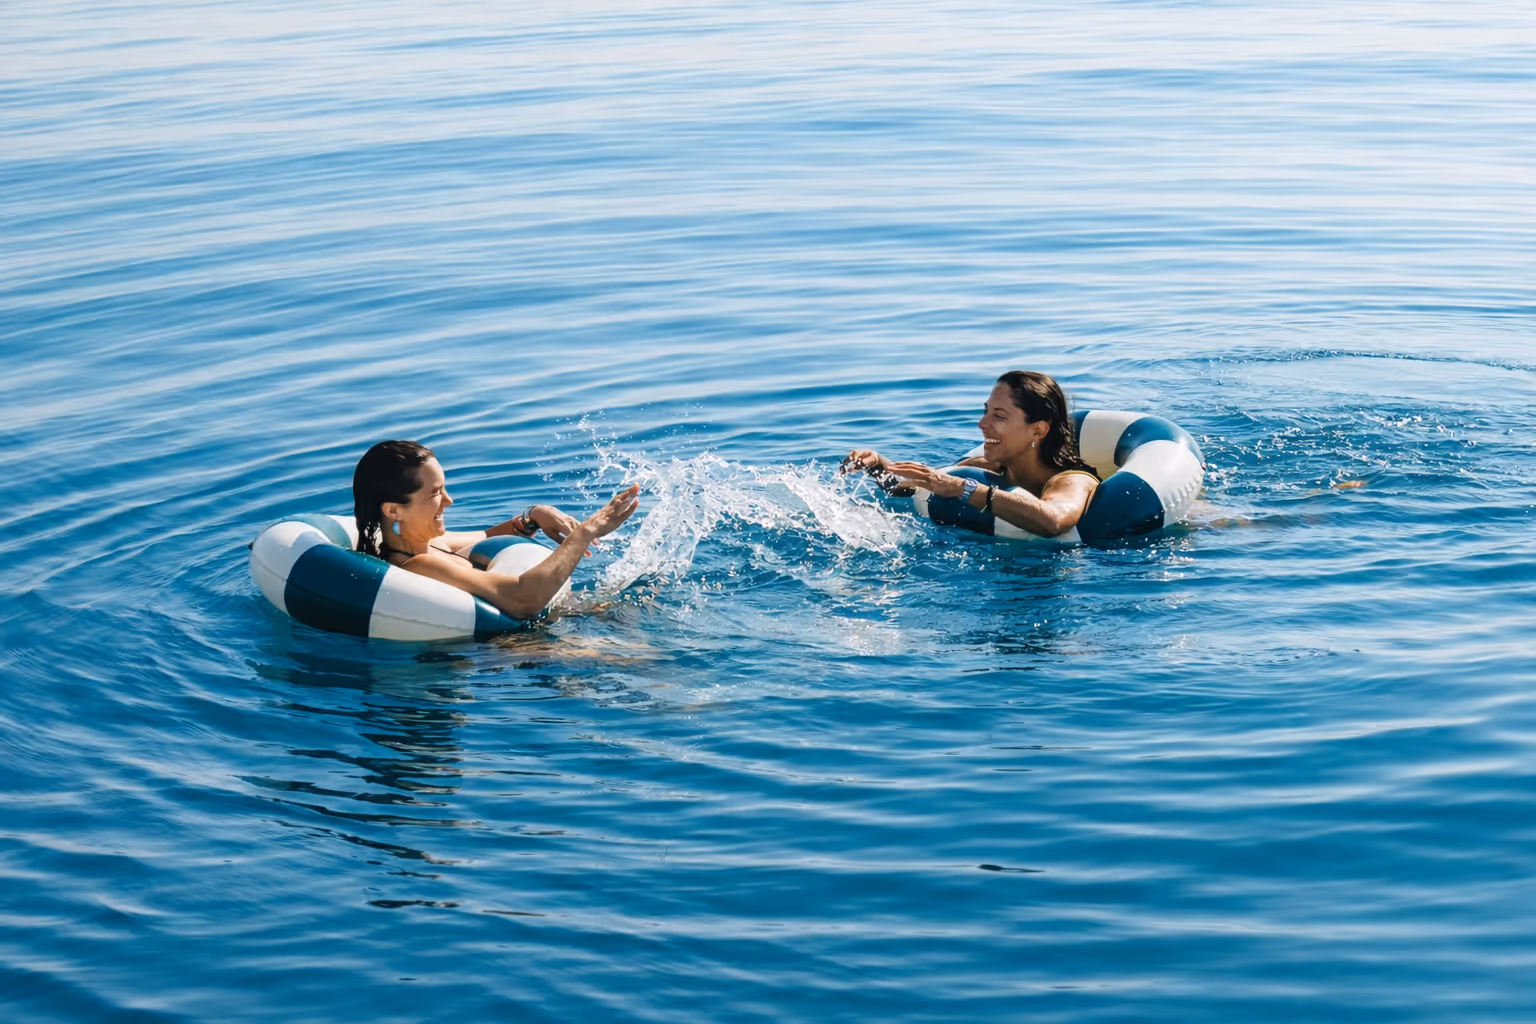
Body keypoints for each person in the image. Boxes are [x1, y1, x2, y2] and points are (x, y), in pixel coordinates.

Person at [352, 440, 639, 620]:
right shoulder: (418, 565)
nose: (449, 501)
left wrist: (534, 516)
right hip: (527, 649)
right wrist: (585, 532)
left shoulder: (429, 544)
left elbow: (486, 537)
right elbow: (523, 599)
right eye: (436, 493)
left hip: (564, 620)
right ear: (393, 510)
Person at [844, 371, 1099, 537]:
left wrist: (961, 488)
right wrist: (877, 464)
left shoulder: (1073, 480)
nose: (982, 423)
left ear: (1038, 430)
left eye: (998, 416)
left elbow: (1054, 521)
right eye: (986, 411)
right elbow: (906, 491)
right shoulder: (985, 467)